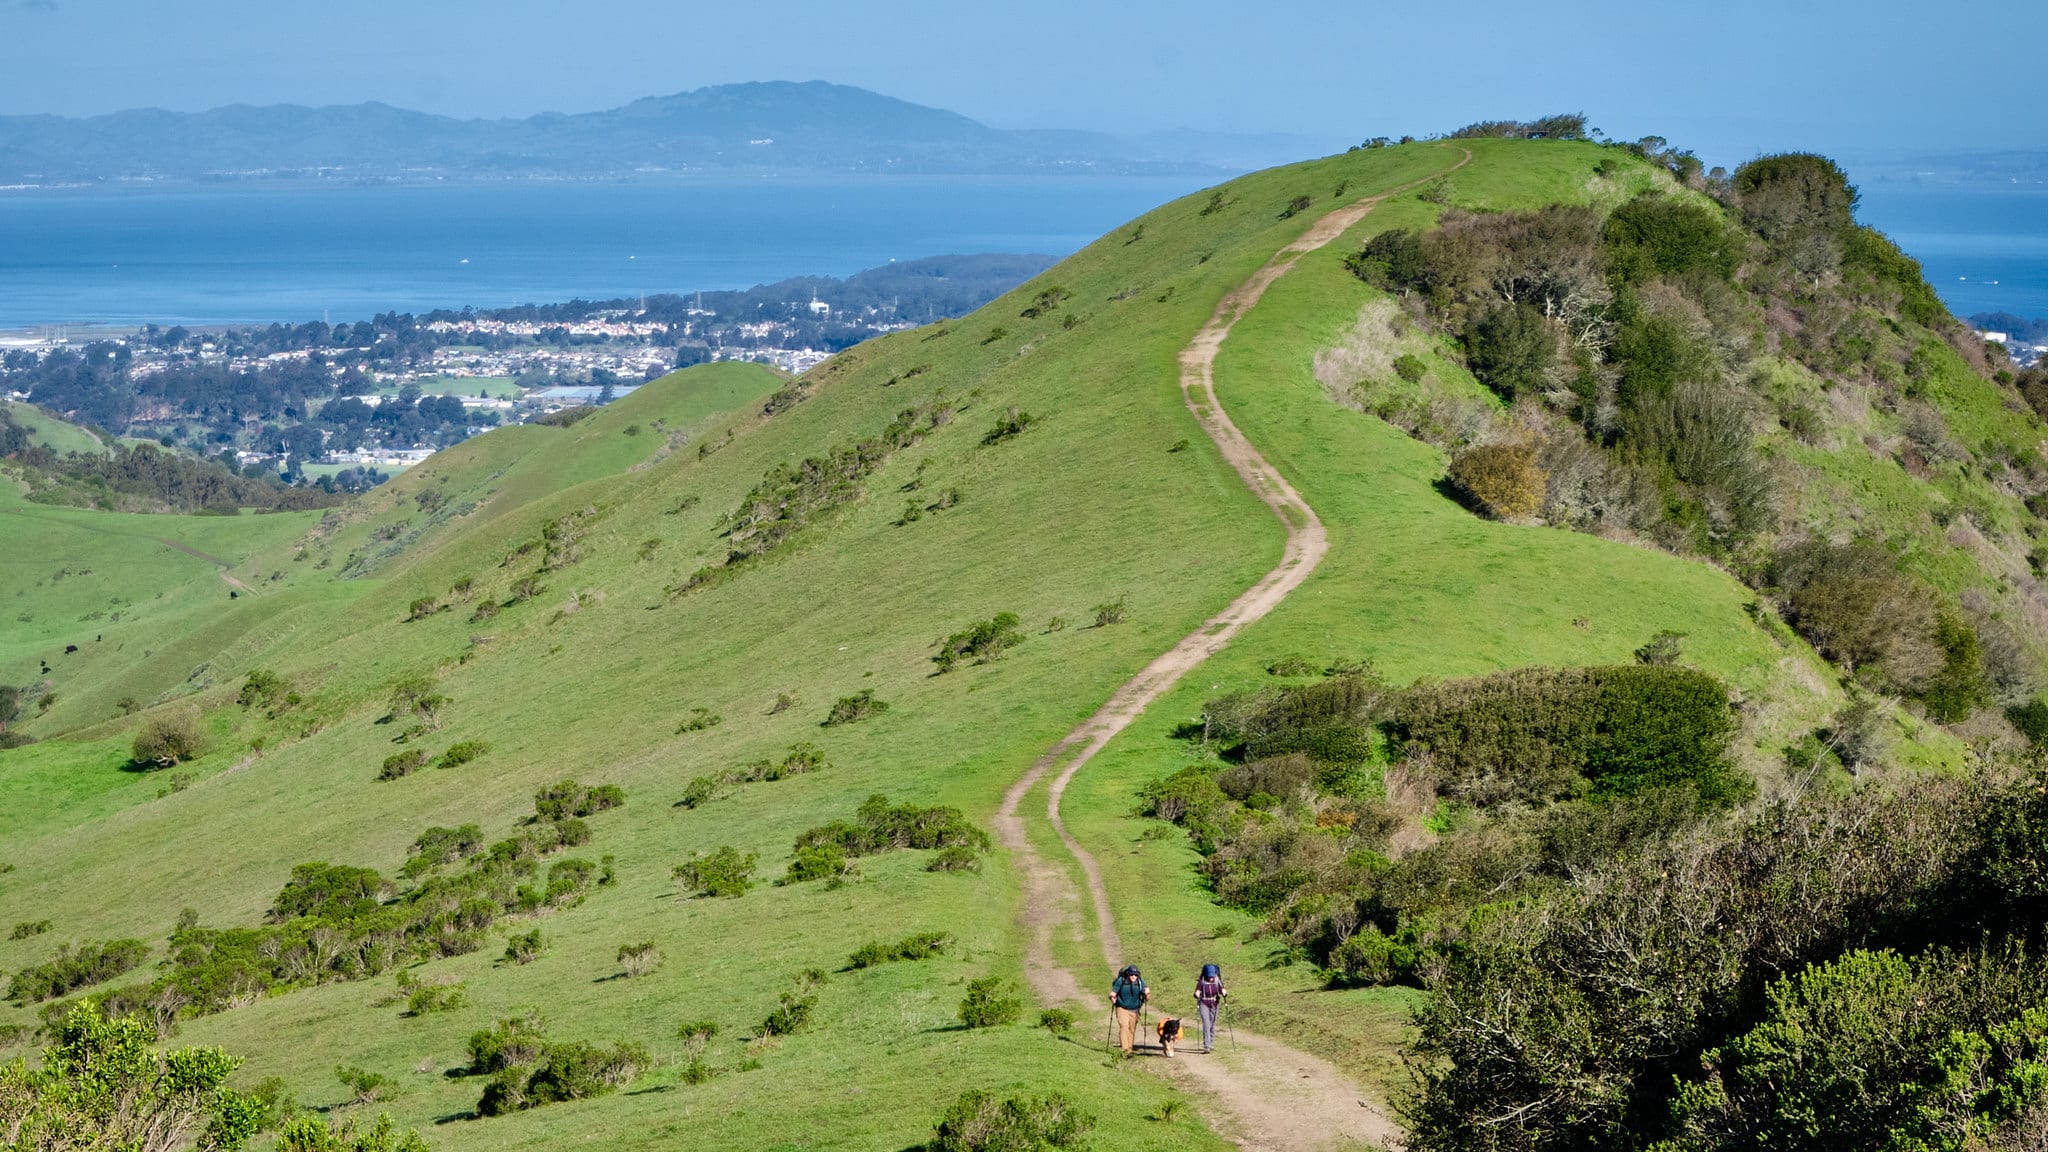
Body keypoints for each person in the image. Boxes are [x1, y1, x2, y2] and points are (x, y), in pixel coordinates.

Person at [1110, 965, 1149, 1052]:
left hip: (1135, 1009)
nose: (1133, 976)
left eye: (1135, 975)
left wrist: (1147, 994)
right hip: (1122, 1007)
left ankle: (1129, 1050)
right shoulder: (1121, 980)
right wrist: (1112, 997)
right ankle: (1125, 1050)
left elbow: (1146, 991)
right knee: (1124, 1026)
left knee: (1131, 1029)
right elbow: (1113, 992)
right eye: (1131, 975)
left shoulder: (1140, 981)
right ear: (1128, 974)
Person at [1193, 963, 1227, 1053]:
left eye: (1212, 976)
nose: (1211, 978)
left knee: (1212, 1024)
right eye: (1209, 976)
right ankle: (1206, 1046)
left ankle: (1211, 1043)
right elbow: (1197, 991)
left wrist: (1224, 992)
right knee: (1207, 1024)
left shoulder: (1217, 980)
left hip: (1215, 1004)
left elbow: (1221, 989)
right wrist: (1196, 994)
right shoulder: (1202, 980)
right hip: (1203, 1003)